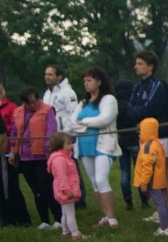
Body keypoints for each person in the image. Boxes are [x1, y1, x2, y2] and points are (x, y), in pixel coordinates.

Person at [127, 50, 168, 224]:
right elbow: (130, 109)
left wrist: (139, 112)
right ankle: (159, 209)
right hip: (143, 136)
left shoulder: (158, 85)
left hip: (159, 135)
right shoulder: (138, 87)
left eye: (140, 63)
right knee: (151, 174)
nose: (136, 66)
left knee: (164, 173)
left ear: (151, 66)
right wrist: (138, 112)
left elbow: (149, 109)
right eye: (136, 63)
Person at [69, 67, 122, 229]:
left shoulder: (109, 99)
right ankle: (105, 215)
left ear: (99, 82)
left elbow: (105, 119)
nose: (86, 83)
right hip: (84, 147)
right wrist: (87, 124)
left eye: (89, 80)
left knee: (101, 179)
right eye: (85, 81)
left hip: (103, 145)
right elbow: (71, 123)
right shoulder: (83, 102)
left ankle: (112, 217)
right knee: (94, 183)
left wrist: (84, 122)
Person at [9, 87, 62, 229]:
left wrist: (48, 151)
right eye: (29, 103)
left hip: (42, 157)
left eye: (35, 101)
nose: (33, 105)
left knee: (46, 187)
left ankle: (59, 218)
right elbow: (14, 132)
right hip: (25, 157)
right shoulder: (18, 112)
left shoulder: (48, 110)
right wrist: (13, 152)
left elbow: (51, 131)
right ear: (24, 103)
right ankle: (44, 220)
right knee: (36, 190)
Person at [43, 64, 86, 209]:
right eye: (46, 74)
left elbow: (73, 113)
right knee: (60, 167)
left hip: (66, 136)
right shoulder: (47, 94)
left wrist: (66, 133)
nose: (47, 77)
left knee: (72, 167)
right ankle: (63, 193)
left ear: (59, 76)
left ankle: (80, 198)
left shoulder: (68, 92)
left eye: (50, 74)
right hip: (54, 137)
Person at [0, 84, 31, 227]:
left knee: (11, 187)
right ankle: (7, 216)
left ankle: (21, 218)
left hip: (6, 151)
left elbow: (14, 129)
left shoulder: (10, 107)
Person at [135, 117, 168, 236]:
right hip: (159, 179)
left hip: (152, 181)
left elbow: (147, 166)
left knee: (159, 203)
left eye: (140, 131)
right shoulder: (157, 143)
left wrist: (144, 183)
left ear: (146, 131)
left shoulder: (147, 147)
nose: (139, 134)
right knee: (163, 202)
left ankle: (164, 227)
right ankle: (167, 224)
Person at [115, 79, 148, 210]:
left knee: (124, 173)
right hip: (134, 139)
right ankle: (144, 200)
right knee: (139, 171)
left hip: (121, 140)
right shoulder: (133, 104)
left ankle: (128, 201)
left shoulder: (115, 105)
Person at [46, 132, 85, 240]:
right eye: (68, 143)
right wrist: (67, 190)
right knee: (70, 213)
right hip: (66, 190)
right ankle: (75, 233)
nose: (71, 145)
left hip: (62, 189)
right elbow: (62, 176)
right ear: (59, 145)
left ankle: (65, 231)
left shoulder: (62, 157)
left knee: (65, 212)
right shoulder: (60, 159)